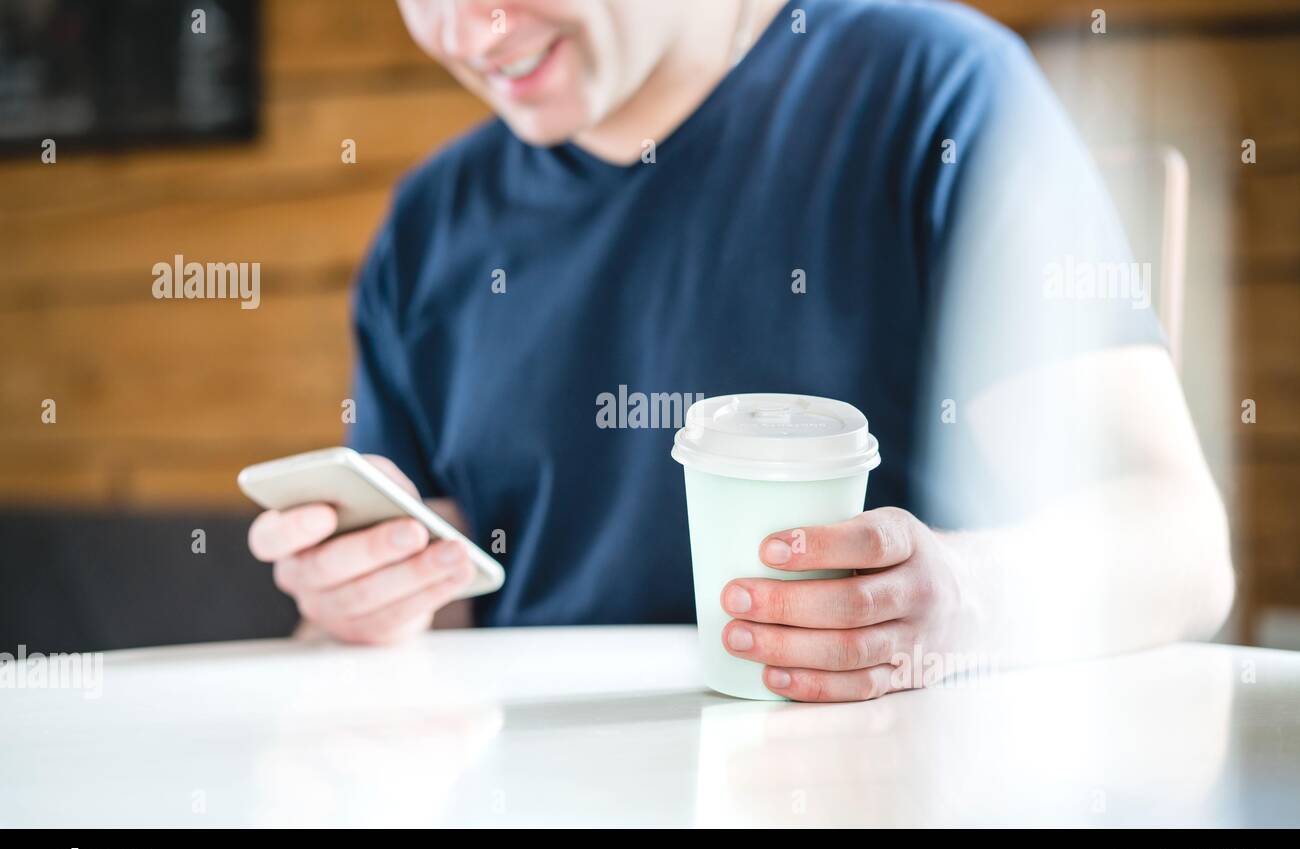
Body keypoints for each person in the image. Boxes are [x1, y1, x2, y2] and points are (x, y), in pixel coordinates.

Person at [248, 0, 1234, 701]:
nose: (466, 33)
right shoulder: (431, 224)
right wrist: (363, 604)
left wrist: (964, 603)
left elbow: (1177, 544)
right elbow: (440, 602)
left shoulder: (930, 88)